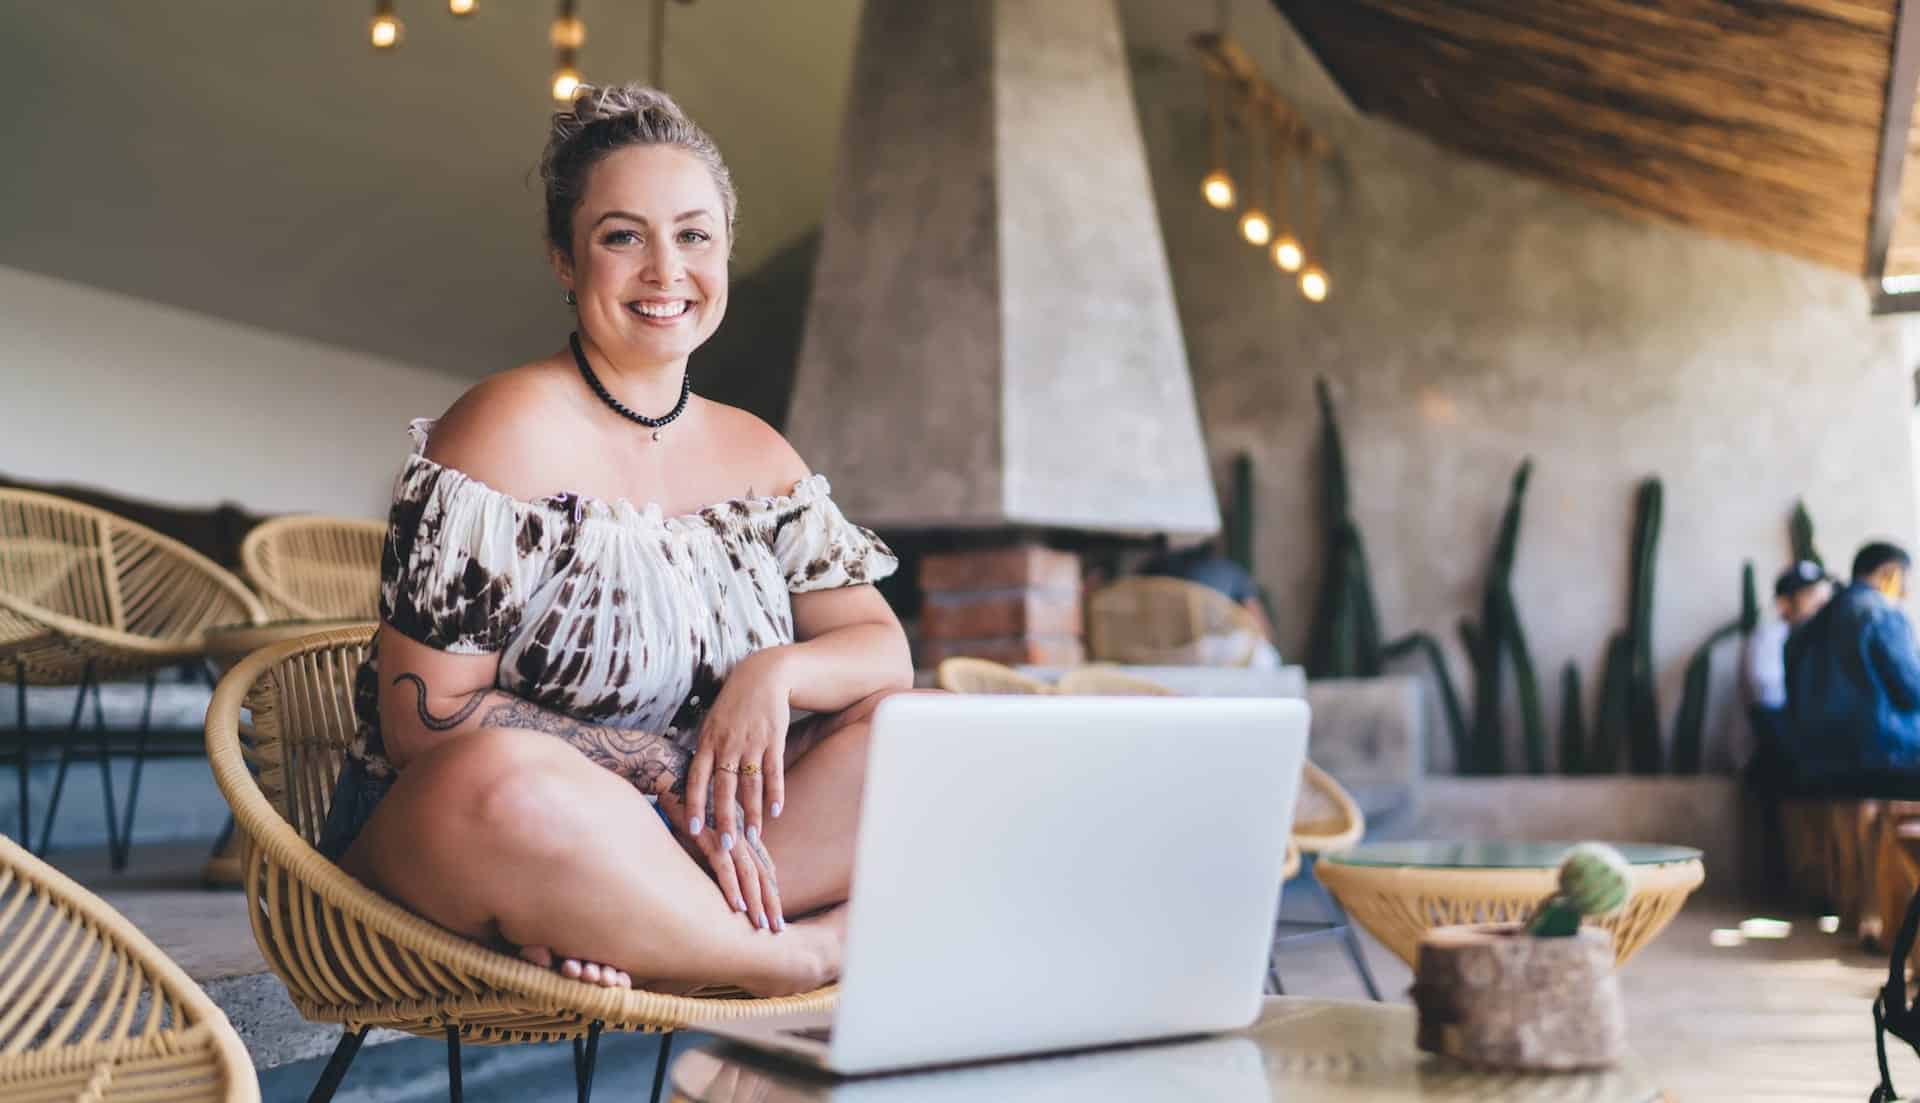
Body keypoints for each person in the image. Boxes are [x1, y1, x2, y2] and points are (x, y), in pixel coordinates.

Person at [318, 85, 914, 997]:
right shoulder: (500, 430)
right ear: (565, 259)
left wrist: (774, 675)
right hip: (501, 831)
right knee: (501, 779)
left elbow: (882, 651)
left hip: (698, 840)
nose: (666, 270)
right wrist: (664, 768)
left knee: (917, 732)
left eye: (694, 235)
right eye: (623, 236)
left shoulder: (761, 453)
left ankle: (653, 927)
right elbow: (421, 722)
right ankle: (792, 954)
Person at [1782, 542, 1920, 796]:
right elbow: (1912, 689)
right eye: (1904, 580)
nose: (1906, 592)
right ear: (1889, 572)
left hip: (1818, 766)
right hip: (1886, 759)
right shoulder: (1880, 612)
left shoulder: (1807, 627)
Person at [1742, 560, 1834, 768]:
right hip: (1773, 756)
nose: (1822, 602)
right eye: (1811, 595)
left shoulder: (1817, 638)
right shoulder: (1769, 638)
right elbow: (1769, 709)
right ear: (1784, 603)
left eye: (1824, 594)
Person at [1137, 538, 1282, 667]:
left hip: (1156, 652)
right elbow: (1260, 627)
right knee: (1265, 656)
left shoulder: (1151, 571)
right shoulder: (1227, 571)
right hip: (1208, 650)